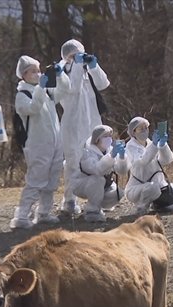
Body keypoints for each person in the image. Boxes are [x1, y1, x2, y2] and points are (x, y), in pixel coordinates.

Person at [9, 55, 71, 230]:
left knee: (52, 179)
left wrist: (60, 76)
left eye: (38, 70)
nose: (37, 73)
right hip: (37, 144)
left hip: (54, 141)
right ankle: (21, 216)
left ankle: (43, 213)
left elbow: (65, 90)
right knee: (36, 180)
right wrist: (41, 87)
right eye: (33, 71)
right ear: (23, 75)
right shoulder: (22, 95)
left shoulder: (45, 91)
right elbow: (33, 108)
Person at [58, 39, 110, 215]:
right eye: (73, 55)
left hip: (91, 123)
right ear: (66, 57)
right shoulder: (62, 72)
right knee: (73, 162)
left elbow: (103, 84)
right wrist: (78, 66)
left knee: (94, 159)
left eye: (80, 54)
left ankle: (95, 199)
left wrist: (94, 66)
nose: (77, 58)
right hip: (73, 125)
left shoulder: (86, 73)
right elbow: (72, 88)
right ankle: (69, 200)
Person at [124, 116, 173, 214]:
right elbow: (143, 162)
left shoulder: (150, 143)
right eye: (141, 129)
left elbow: (167, 160)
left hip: (158, 185)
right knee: (153, 188)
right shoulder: (130, 147)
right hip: (137, 188)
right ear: (133, 132)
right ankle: (142, 206)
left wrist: (163, 145)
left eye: (146, 128)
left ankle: (158, 205)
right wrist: (154, 145)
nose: (145, 131)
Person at [70, 125, 127, 222]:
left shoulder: (109, 150)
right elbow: (97, 170)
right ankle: (92, 211)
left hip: (101, 185)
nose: (109, 139)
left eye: (110, 136)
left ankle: (98, 204)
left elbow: (121, 171)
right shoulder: (87, 152)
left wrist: (122, 157)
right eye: (105, 136)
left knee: (118, 193)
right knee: (98, 179)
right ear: (96, 139)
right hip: (81, 184)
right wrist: (111, 156)